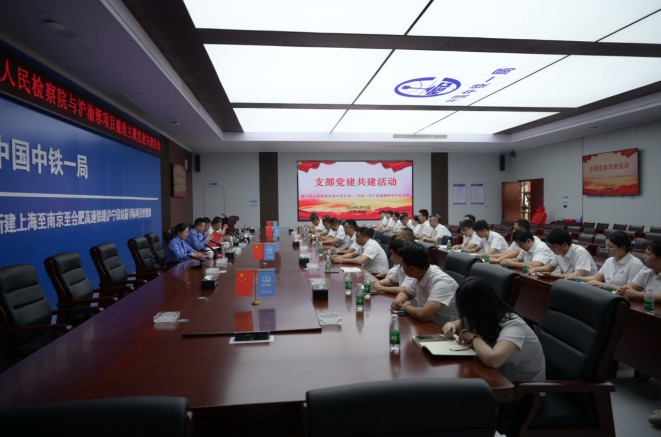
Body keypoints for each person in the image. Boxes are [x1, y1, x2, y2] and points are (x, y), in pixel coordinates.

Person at [442, 277, 546, 385]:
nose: (465, 314)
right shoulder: (484, 316)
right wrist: (450, 325)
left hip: (523, 388)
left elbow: (493, 360)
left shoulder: (514, 325)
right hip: (496, 377)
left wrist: (473, 337)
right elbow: (457, 324)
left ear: (477, 308)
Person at [390, 243, 459, 326]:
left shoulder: (442, 282)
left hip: (445, 330)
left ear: (412, 268)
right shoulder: (419, 274)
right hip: (428, 325)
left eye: (403, 264)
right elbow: (405, 293)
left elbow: (424, 315)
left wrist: (406, 306)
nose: (401, 266)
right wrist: (398, 302)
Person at [570, 230, 643, 289]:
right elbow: (596, 278)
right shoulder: (609, 260)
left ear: (623, 248)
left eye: (611, 247)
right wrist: (575, 278)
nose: (607, 249)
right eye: (606, 246)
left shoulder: (635, 264)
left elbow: (629, 289)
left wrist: (603, 285)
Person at [530, 227, 599, 278]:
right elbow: (550, 267)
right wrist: (535, 269)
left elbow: (578, 275)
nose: (552, 249)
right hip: (571, 283)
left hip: (588, 286)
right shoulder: (559, 252)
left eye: (554, 247)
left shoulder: (580, 252)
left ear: (565, 245)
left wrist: (552, 276)